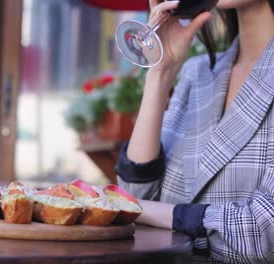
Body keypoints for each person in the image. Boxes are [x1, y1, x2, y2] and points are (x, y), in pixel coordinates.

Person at [115, 0, 274, 263]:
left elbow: (263, 233)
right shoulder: (198, 73)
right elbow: (135, 195)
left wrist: (142, 210)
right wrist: (160, 73)